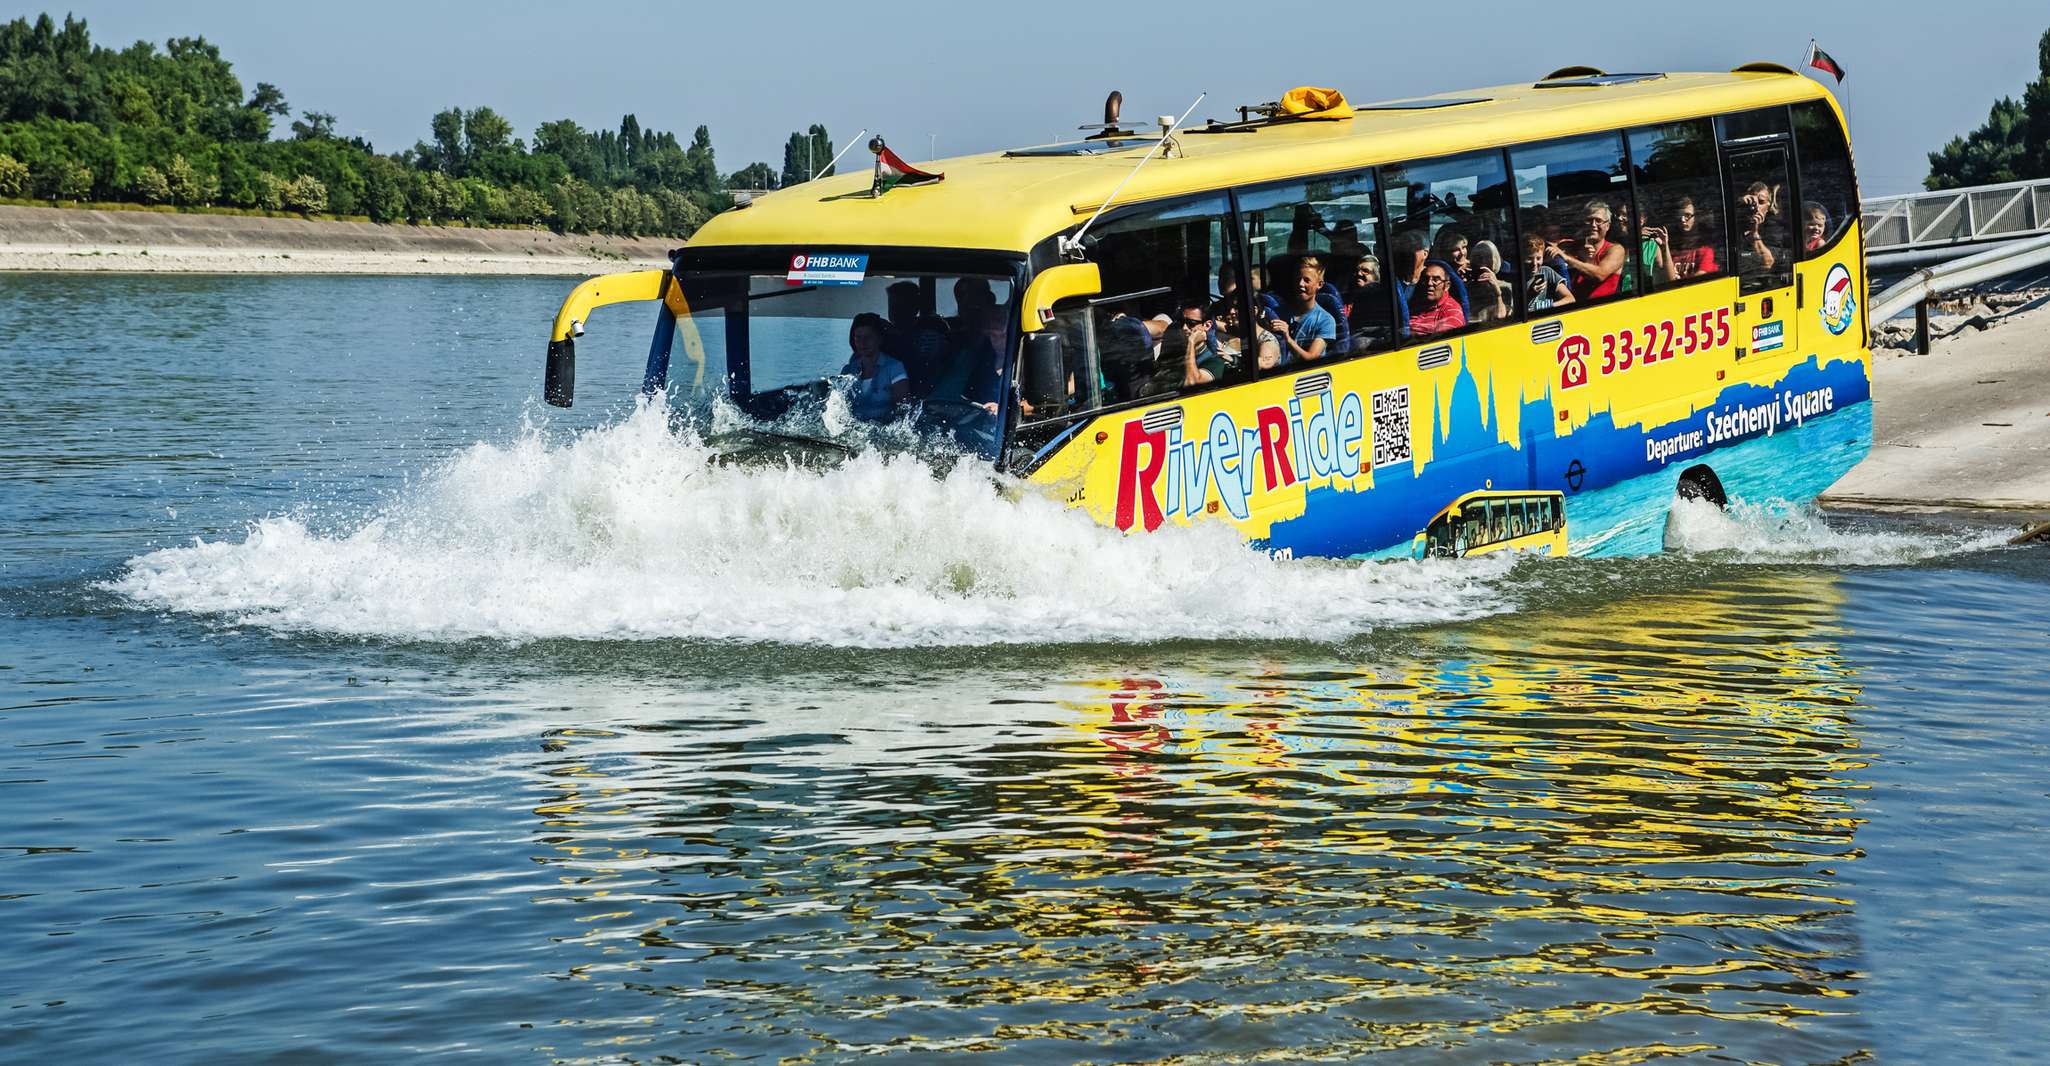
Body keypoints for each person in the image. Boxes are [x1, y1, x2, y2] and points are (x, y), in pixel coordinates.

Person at [884, 280, 952, 395]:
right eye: (892, 306)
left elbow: (927, 367)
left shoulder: (930, 334)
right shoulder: (883, 338)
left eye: (901, 306)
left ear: (915, 308)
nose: (895, 312)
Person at [1265, 256, 1336, 365]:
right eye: (1298, 279)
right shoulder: (1279, 313)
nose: (1300, 284)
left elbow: (1311, 359)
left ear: (1319, 284)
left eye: (1307, 280)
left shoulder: (1325, 320)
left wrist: (1287, 339)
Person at [1552, 200, 1627, 303]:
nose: (1593, 225)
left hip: (1602, 310)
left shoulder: (1615, 250)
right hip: (1571, 310)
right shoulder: (1571, 246)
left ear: (1607, 226)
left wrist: (1568, 259)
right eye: (1589, 220)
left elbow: (1600, 274)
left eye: (1598, 220)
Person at [841, 312, 910, 421]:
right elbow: (840, 408)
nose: (862, 343)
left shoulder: (895, 368)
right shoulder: (848, 370)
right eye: (858, 337)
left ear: (879, 339)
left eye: (868, 337)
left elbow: (902, 410)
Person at [1657, 196, 1718, 281]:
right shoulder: (1670, 248)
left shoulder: (1706, 250)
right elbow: (1666, 279)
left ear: (1696, 217)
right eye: (1679, 216)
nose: (1682, 220)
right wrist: (1664, 245)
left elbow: (1698, 283)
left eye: (1687, 215)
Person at [1408, 261, 1467, 336]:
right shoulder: (1414, 303)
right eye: (1426, 279)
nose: (1429, 283)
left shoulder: (1452, 310)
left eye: (1436, 280)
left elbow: (1441, 340)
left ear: (1447, 286)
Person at [1734, 182, 1779, 275]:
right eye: (1750, 202)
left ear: (1768, 206)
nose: (1755, 207)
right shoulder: (1734, 224)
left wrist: (1754, 232)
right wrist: (1737, 204)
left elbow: (1768, 263)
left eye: (1761, 202)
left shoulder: (1774, 229)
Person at [1521, 234, 1573, 312]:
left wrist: (1548, 306)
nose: (1534, 263)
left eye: (1538, 258)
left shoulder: (1546, 272)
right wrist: (1530, 294)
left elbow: (1570, 299)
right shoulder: (1517, 277)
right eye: (1529, 258)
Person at [1467, 240, 1512, 324]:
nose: (1482, 260)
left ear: (1495, 260)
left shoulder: (1507, 288)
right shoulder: (1468, 288)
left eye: (1487, 256)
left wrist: (1498, 293)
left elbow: (1501, 317)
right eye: (1478, 257)